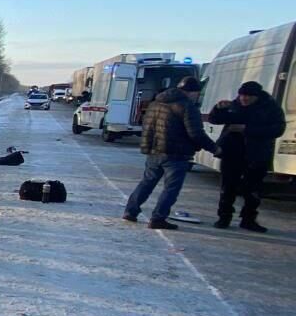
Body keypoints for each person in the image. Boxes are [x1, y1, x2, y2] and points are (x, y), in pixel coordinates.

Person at [123, 76, 218, 230]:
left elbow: (148, 126)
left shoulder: (156, 103)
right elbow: (196, 134)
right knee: (171, 188)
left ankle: (130, 211)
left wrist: (147, 146)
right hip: (176, 154)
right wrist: (214, 149)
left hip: (154, 151)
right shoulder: (187, 107)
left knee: (146, 183)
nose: (197, 96)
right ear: (192, 92)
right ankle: (158, 218)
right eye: (197, 93)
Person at [207, 81, 288, 232]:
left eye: (248, 96)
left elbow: (278, 129)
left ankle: (248, 219)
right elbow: (214, 120)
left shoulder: (270, 108)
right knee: (228, 187)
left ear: (256, 96)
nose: (244, 99)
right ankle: (224, 217)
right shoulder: (233, 105)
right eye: (242, 95)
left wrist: (247, 129)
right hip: (232, 152)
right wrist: (217, 109)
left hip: (257, 154)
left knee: (252, 190)